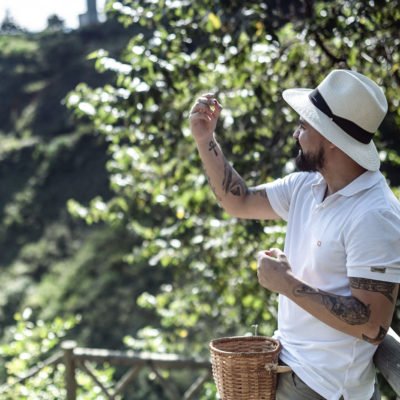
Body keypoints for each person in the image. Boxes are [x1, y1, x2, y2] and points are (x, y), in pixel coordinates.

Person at [189, 69, 400, 400]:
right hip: (288, 367)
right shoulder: (307, 185)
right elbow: (237, 200)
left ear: (331, 137)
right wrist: (205, 140)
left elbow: (372, 326)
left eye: (304, 126)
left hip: (323, 388)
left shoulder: (375, 215)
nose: (295, 134)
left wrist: (287, 284)